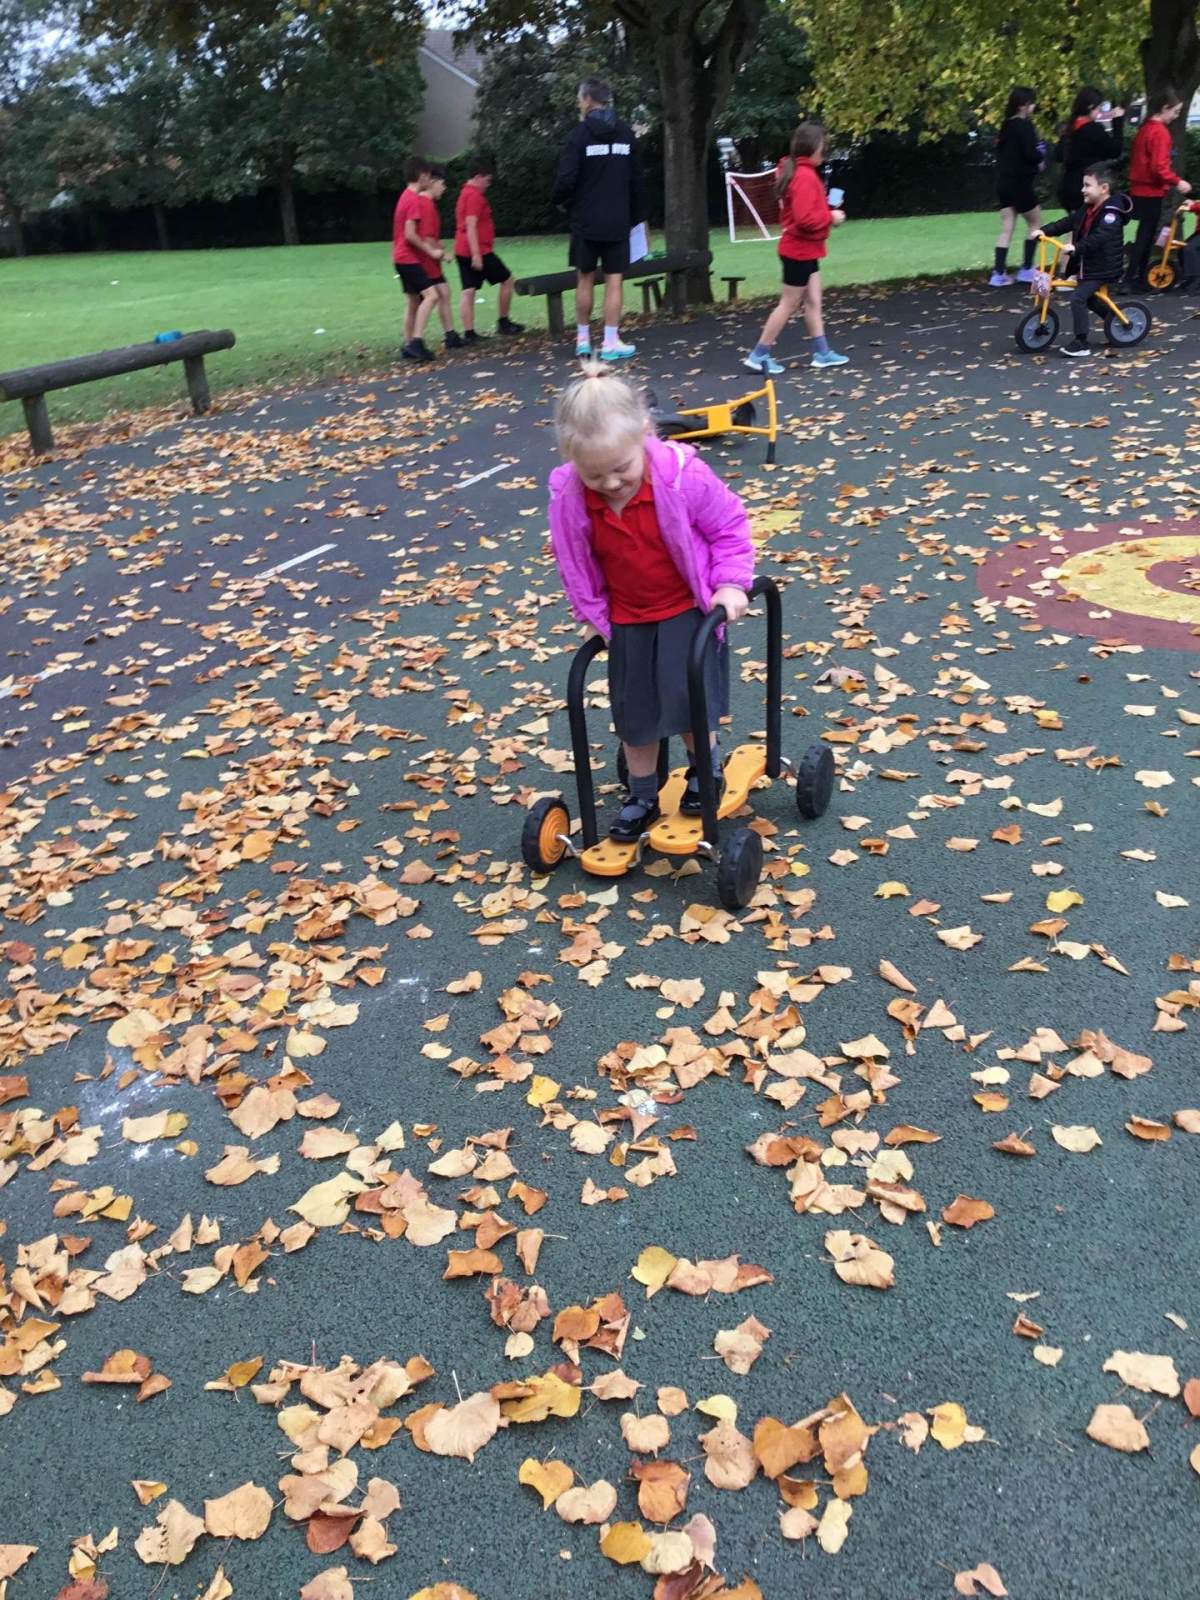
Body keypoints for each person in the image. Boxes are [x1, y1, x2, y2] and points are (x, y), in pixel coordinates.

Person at [548, 366, 754, 841]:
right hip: (627, 617)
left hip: (686, 608)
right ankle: (641, 794)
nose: (611, 483)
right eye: (595, 474)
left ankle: (706, 771)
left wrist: (730, 584)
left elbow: (729, 527)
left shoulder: (683, 476)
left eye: (621, 468)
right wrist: (590, 613)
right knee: (634, 716)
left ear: (645, 434)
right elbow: (574, 559)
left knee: (688, 701)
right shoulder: (571, 496)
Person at [552, 76, 646, 362]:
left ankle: (583, 340)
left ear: (587, 100)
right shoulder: (626, 134)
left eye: (579, 100)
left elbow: (566, 179)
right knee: (614, 280)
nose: (579, 105)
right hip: (618, 219)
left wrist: (564, 204)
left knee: (585, 278)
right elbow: (637, 180)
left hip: (586, 220)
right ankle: (610, 341)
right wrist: (636, 216)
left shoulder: (578, 136)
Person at [744, 121, 848, 374]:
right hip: (798, 251)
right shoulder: (804, 176)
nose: (826, 152)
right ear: (813, 147)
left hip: (806, 250)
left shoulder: (802, 173)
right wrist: (830, 217)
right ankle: (759, 355)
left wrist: (826, 209)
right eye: (824, 146)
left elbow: (807, 210)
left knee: (813, 300)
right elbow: (804, 219)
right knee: (788, 304)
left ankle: (822, 353)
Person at [1038, 163, 1131, 358]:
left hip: (1103, 267)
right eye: (1083, 185)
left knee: (1078, 298)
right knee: (1089, 299)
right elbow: (1068, 223)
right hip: (1089, 265)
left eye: (1087, 185)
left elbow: (1100, 237)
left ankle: (1081, 343)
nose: (1082, 190)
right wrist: (1045, 231)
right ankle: (1113, 319)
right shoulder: (1088, 208)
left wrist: (1076, 247)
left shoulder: (1111, 213)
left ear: (1103, 188)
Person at [454, 154, 525, 344]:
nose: (488, 184)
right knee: (507, 280)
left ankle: (469, 333)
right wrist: (476, 255)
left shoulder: (464, 193)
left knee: (468, 290)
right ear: (478, 177)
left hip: (462, 249)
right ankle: (503, 322)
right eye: (487, 180)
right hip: (479, 250)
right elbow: (471, 226)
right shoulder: (474, 196)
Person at [1126, 87, 1192, 289]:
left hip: (1138, 189)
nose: (1175, 116)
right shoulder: (1160, 132)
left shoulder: (1145, 129)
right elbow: (1159, 167)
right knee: (1145, 236)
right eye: (1175, 111)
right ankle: (1134, 278)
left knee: (1143, 234)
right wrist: (1177, 181)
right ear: (1165, 108)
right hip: (1151, 191)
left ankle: (1134, 277)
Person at [991, 87, 1043, 286]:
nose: (1033, 107)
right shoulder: (1024, 126)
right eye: (1032, 103)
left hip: (1003, 183)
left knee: (1007, 227)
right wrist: (1040, 155)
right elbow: (1031, 154)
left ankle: (998, 273)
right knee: (1035, 222)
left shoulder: (1005, 126)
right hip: (1020, 183)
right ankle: (1027, 268)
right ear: (1024, 105)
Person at [393, 155, 440, 362]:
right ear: (421, 175)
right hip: (407, 257)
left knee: (413, 301)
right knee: (432, 296)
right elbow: (410, 234)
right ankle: (416, 342)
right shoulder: (413, 200)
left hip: (399, 257)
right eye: (428, 175)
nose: (430, 180)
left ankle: (408, 344)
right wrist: (431, 252)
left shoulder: (404, 196)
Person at [417, 166, 463, 354]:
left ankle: (450, 335)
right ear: (433, 182)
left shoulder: (426, 203)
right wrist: (443, 254)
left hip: (428, 259)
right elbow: (426, 238)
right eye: (442, 184)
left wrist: (438, 244)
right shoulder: (426, 205)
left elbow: (427, 235)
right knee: (431, 297)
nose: (444, 188)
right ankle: (415, 340)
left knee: (443, 292)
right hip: (426, 260)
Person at [1057, 89, 1126, 213]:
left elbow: (1058, 155)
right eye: (1098, 107)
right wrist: (1118, 121)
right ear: (1090, 107)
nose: (1099, 111)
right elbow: (1115, 150)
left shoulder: (1070, 128)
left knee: (1077, 223)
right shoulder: (1092, 129)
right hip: (1088, 187)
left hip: (1069, 186)